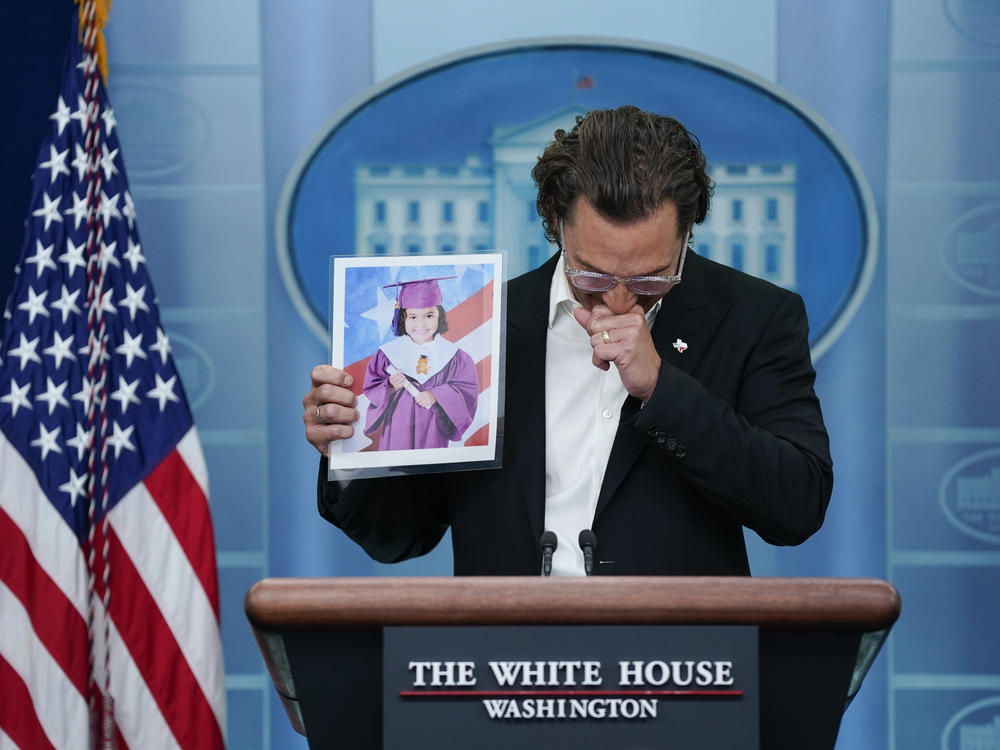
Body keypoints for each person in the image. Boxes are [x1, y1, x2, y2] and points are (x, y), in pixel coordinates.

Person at [303, 105, 833, 577]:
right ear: (556, 218)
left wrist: (662, 390)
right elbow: (400, 537)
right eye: (595, 276)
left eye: (651, 280)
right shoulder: (480, 331)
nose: (623, 302)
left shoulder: (755, 316)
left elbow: (797, 506)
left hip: (682, 665)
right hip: (504, 663)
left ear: (688, 232)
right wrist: (348, 453)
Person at [362, 277, 479, 451]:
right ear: (402, 318)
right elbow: (372, 387)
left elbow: (466, 391)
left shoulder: (456, 357)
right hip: (397, 428)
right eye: (413, 316)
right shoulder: (387, 354)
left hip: (433, 429)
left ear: (440, 316)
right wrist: (391, 386)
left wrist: (436, 395)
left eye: (429, 315)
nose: (421, 324)